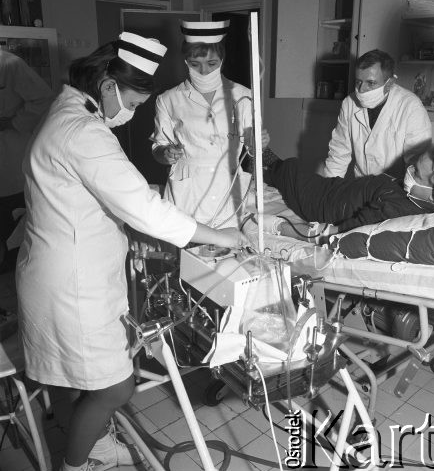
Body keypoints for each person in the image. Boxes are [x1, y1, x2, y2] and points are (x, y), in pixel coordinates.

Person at [16, 32, 248, 471]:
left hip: (61, 268)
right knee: (113, 388)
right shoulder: (83, 132)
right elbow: (143, 207)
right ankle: (77, 465)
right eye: (134, 103)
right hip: (72, 281)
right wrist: (220, 238)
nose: (132, 113)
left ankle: (95, 449)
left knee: (72, 378)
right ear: (108, 87)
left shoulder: (69, 112)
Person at [151, 19, 269, 229]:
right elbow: (158, 149)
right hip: (187, 196)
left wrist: (258, 143)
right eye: (195, 64)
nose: (204, 71)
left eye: (211, 64)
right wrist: (166, 153)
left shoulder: (244, 96)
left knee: (227, 254)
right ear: (185, 61)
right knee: (188, 256)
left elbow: (254, 150)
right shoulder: (169, 99)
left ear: (222, 60)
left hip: (229, 191)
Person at [263, 137, 434, 240]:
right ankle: (259, 161)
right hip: (338, 189)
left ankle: (254, 163)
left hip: (324, 204)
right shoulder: (411, 196)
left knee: (291, 169)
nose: (410, 170)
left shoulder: (403, 210)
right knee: (292, 170)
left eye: (417, 172)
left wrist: (306, 232)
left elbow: (349, 228)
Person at [323, 49, 431, 180]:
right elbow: (339, 153)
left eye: (371, 83)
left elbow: (416, 166)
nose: (361, 89)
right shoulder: (349, 104)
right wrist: (329, 190)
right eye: (358, 82)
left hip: (397, 188)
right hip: (362, 185)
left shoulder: (411, 107)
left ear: (389, 83)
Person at [0, 50, 54, 273]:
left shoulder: (9, 64)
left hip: (9, 160)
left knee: (11, 235)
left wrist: (14, 122)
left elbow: (43, 98)